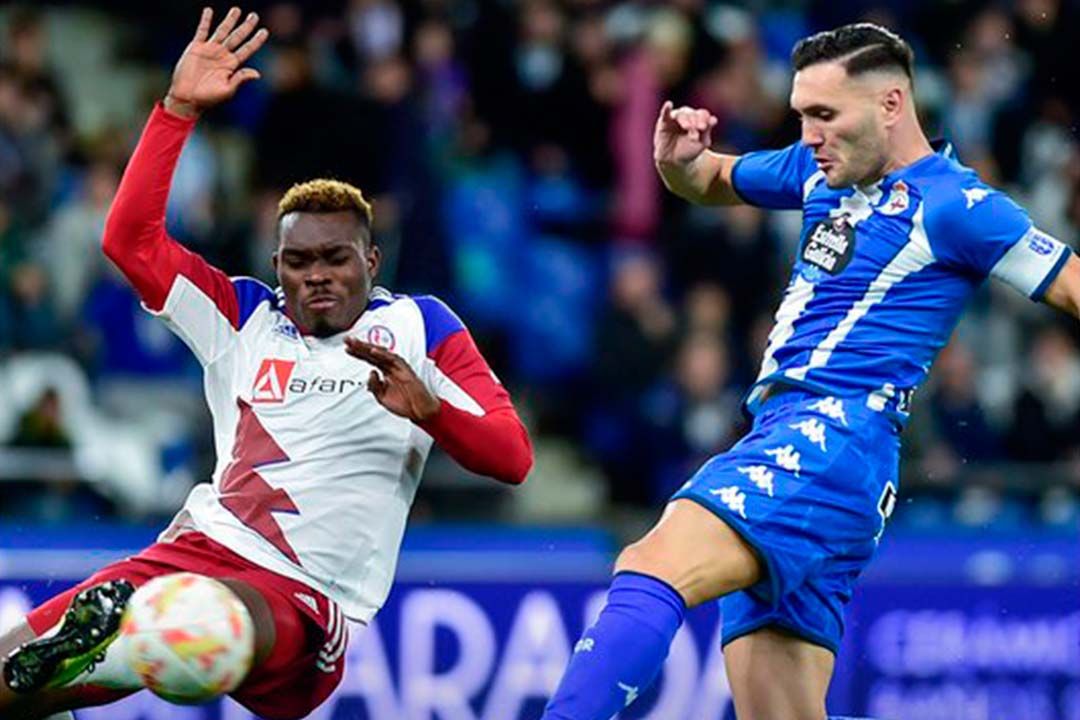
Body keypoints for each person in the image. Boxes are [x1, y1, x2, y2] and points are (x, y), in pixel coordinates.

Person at [0, 7, 533, 720]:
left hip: (302, 602)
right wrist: (176, 110)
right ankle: (70, 672)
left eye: (335, 259)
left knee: (211, 627)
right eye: (298, 261)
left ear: (370, 261)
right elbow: (129, 240)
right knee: (4, 677)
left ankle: (103, 650)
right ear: (277, 267)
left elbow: (514, 457)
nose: (317, 276)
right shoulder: (244, 316)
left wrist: (432, 411)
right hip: (192, 553)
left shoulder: (420, 328)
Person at [541, 23, 1078, 720]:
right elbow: (710, 179)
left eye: (824, 114)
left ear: (890, 105)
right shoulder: (819, 170)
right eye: (801, 113)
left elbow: (1071, 284)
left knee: (651, 565)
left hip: (833, 434)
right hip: (813, 449)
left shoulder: (959, 207)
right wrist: (676, 161)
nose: (809, 132)